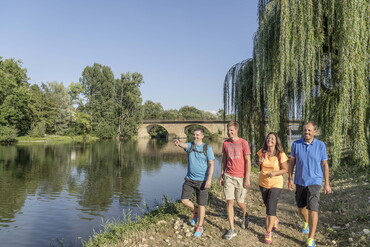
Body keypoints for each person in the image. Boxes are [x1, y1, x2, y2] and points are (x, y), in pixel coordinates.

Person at [288, 121, 332, 247]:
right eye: (304, 130)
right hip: (300, 181)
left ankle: (311, 238)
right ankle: (306, 221)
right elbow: (291, 163)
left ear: (314, 132)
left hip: (315, 181)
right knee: (301, 207)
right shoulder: (296, 144)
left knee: (313, 208)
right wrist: (290, 179)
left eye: (309, 130)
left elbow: (324, 164)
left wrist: (327, 184)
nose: (306, 132)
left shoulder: (321, 145)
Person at [174, 128, 215, 238]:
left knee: (202, 204)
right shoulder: (191, 146)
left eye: (197, 135)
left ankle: (200, 226)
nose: (195, 137)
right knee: (184, 200)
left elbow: (211, 164)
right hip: (189, 179)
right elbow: (184, 145)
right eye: (194, 135)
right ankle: (195, 211)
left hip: (202, 180)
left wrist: (209, 179)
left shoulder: (207, 148)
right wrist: (178, 143)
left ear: (202, 136)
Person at [218, 121, 251, 240]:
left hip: (240, 177)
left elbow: (248, 161)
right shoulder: (225, 143)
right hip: (228, 176)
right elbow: (224, 160)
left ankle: (245, 214)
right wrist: (222, 175)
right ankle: (232, 229)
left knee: (240, 202)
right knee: (229, 202)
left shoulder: (244, 143)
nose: (229, 132)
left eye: (232, 130)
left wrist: (247, 178)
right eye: (228, 130)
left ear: (237, 130)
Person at [257, 132, 288, 244]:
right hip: (263, 183)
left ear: (276, 141)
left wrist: (275, 173)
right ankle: (275, 220)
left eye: (272, 139)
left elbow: (285, 169)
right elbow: (260, 167)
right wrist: (259, 162)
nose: (270, 140)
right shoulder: (262, 152)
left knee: (270, 209)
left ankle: (268, 232)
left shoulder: (281, 154)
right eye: (268, 138)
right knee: (268, 205)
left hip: (276, 184)